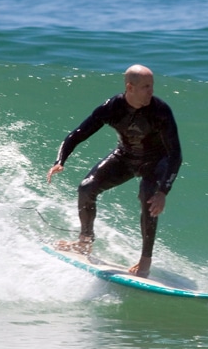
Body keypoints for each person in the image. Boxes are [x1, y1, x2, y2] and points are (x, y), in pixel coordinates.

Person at [47, 64, 182, 278]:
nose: (151, 91)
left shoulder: (160, 111)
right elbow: (77, 135)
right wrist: (60, 160)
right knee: (86, 188)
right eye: (146, 87)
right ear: (130, 87)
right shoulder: (112, 108)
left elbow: (175, 154)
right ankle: (84, 242)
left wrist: (163, 191)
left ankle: (145, 260)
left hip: (156, 162)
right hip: (125, 157)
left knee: (148, 196)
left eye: (152, 86)